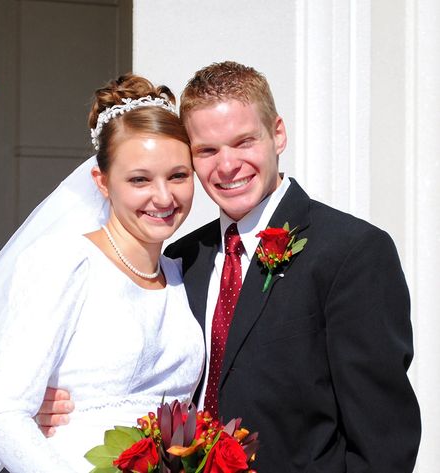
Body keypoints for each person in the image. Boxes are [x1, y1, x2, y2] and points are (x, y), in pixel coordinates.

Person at [39, 61, 421, 472]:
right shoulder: (179, 258)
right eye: (206, 150)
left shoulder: (352, 252)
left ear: (277, 134)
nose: (226, 166)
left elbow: (383, 441)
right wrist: (58, 404)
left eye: (243, 142)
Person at [0, 74, 204, 473]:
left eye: (178, 176)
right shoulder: (64, 262)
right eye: (139, 179)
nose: (164, 197)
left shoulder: (182, 272)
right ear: (102, 182)